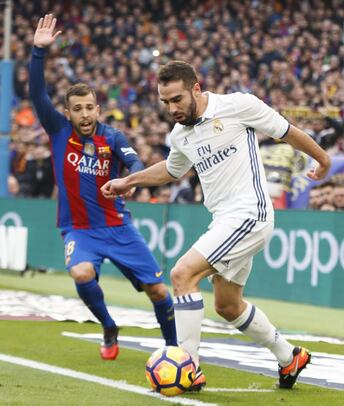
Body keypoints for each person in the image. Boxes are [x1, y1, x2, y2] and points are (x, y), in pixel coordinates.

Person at [102, 60, 331, 389]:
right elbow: (172, 169)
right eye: (165, 102)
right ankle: (289, 356)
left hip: (250, 213)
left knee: (182, 275)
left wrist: (323, 160)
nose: (172, 108)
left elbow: (286, 132)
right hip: (225, 220)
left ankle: (188, 367)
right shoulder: (180, 135)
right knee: (227, 305)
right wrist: (130, 180)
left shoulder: (238, 105)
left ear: (196, 88)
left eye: (177, 99)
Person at [29, 14, 177, 361]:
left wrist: (130, 181)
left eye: (89, 108)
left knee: (158, 290)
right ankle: (109, 326)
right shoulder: (58, 131)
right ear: (67, 112)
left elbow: (136, 163)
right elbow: (37, 93)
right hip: (79, 230)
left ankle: (174, 350)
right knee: (81, 273)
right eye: (77, 109)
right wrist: (38, 52)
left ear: (98, 108)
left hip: (118, 226)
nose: (84, 114)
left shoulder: (112, 137)